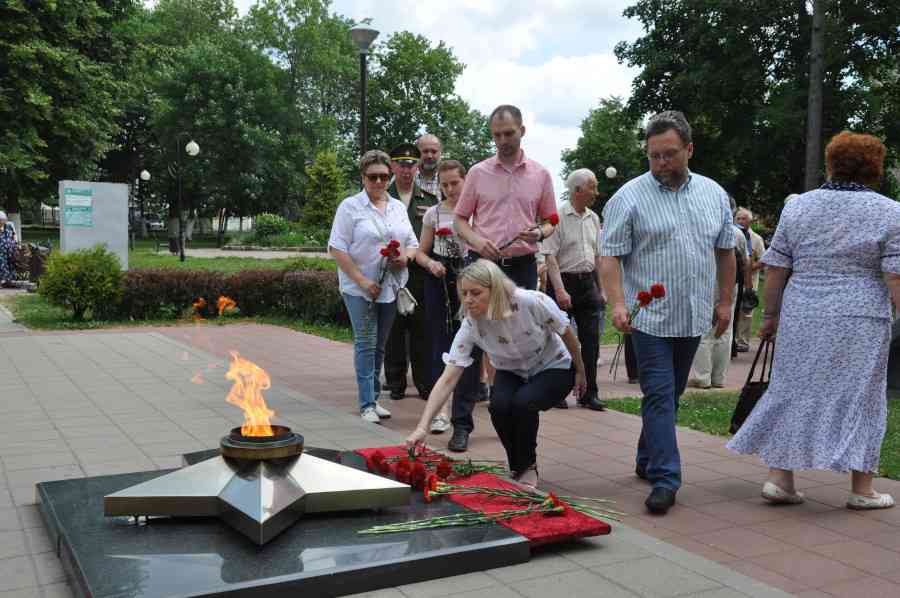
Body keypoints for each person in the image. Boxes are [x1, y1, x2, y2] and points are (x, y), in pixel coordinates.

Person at [727, 131, 900, 510]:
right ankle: (862, 488)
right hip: (862, 318)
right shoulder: (891, 211)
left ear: (830, 164)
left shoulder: (799, 208)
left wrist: (770, 316)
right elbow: (896, 277)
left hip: (803, 312)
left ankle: (780, 478)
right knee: (863, 397)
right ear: (874, 169)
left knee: (792, 388)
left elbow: (776, 269)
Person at [600, 110, 736, 515]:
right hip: (650, 318)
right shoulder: (628, 197)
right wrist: (619, 303)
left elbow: (726, 251)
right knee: (659, 394)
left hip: (693, 315)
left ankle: (646, 458)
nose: (661, 164)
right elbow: (609, 256)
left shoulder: (713, 194)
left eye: (669, 155)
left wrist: (725, 300)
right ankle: (665, 477)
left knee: (670, 396)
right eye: (654, 156)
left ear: (689, 150)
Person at [406, 259, 586, 487]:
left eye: (476, 293)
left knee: (523, 403)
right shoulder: (471, 324)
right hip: (510, 369)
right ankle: (520, 466)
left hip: (553, 365)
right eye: (464, 293)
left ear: (496, 289)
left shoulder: (530, 301)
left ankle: (527, 466)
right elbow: (448, 377)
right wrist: (422, 427)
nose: (468, 300)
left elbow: (567, 332)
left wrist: (581, 371)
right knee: (499, 406)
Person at [328, 150, 418, 424]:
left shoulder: (397, 207)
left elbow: (412, 242)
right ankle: (366, 402)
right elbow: (336, 248)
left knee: (381, 346)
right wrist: (362, 280)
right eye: (372, 177)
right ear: (363, 177)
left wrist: (406, 257)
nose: (379, 182)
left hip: (390, 287)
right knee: (366, 344)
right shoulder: (350, 207)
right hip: (360, 289)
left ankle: (375, 398)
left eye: (383, 176)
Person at [454, 104, 558, 290]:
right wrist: (477, 241)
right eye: (497, 135)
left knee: (522, 319)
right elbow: (459, 220)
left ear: (522, 131)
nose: (502, 140)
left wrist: (540, 233)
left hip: (523, 266)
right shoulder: (477, 173)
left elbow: (551, 220)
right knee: (483, 319)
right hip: (482, 264)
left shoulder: (541, 174)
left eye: (509, 133)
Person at [416, 160, 482, 445]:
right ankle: (440, 410)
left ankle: (462, 419)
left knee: (470, 345)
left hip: (470, 279)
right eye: (444, 185)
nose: (450, 189)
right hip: (440, 281)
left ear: (465, 181)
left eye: (455, 183)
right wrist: (430, 263)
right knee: (440, 345)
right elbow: (420, 252)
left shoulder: (477, 212)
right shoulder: (433, 213)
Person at [543, 168, 606, 411]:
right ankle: (557, 391)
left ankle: (589, 392)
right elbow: (550, 258)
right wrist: (559, 291)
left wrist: (601, 289)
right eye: (593, 187)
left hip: (587, 283)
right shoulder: (556, 217)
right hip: (563, 283)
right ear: (578, 190)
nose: (596, 192)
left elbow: (597, 256)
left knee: (591, 341)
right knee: (559, 342)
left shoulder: (593, 218)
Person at [383, 142, 438, 402]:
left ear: (417, 168)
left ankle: (425, 382)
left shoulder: (429, 201)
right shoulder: (382, 197)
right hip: (390, 273)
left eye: (411, 165)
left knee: (422, 331)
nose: (407, 170)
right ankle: (395, 383)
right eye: (401, 164)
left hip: (418, 274)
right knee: (393, 329)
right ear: (393, 166)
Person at [688, 223, 750, 389]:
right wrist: (748, 286)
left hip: (707, 279)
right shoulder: (737, 232)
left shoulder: (701, 226)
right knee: (726, 330)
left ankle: (703, 377)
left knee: (704, 330)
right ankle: (718, 378)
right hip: (731, 282)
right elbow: (745, 261)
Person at [734, 207, 765, 352]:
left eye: (743, 218)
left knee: (746, 310)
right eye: (738, 218)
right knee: (734, 308)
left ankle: (743, 341)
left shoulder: (756, 239)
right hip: (734, 278)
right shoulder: (733, 235)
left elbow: (764, 260)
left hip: (750, 280)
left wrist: (749, 268)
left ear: (750, 221)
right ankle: (733, 340)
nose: (740, 221)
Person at [415, 134, 443, 200]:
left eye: (434, 152)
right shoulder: (404, 177)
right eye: (425, 151)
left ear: (440, 153)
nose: (429, 156)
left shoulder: (449, 179)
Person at [0, 210, 17, 286]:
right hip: (1, 251)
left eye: (3, 220)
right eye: (1, 220)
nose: (2, 222)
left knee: (11, 264)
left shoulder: (9, 226)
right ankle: (2, 280)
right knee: (2, 264)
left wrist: (16, 242)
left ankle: (9, 281)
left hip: (10, 249)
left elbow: (14, 234)